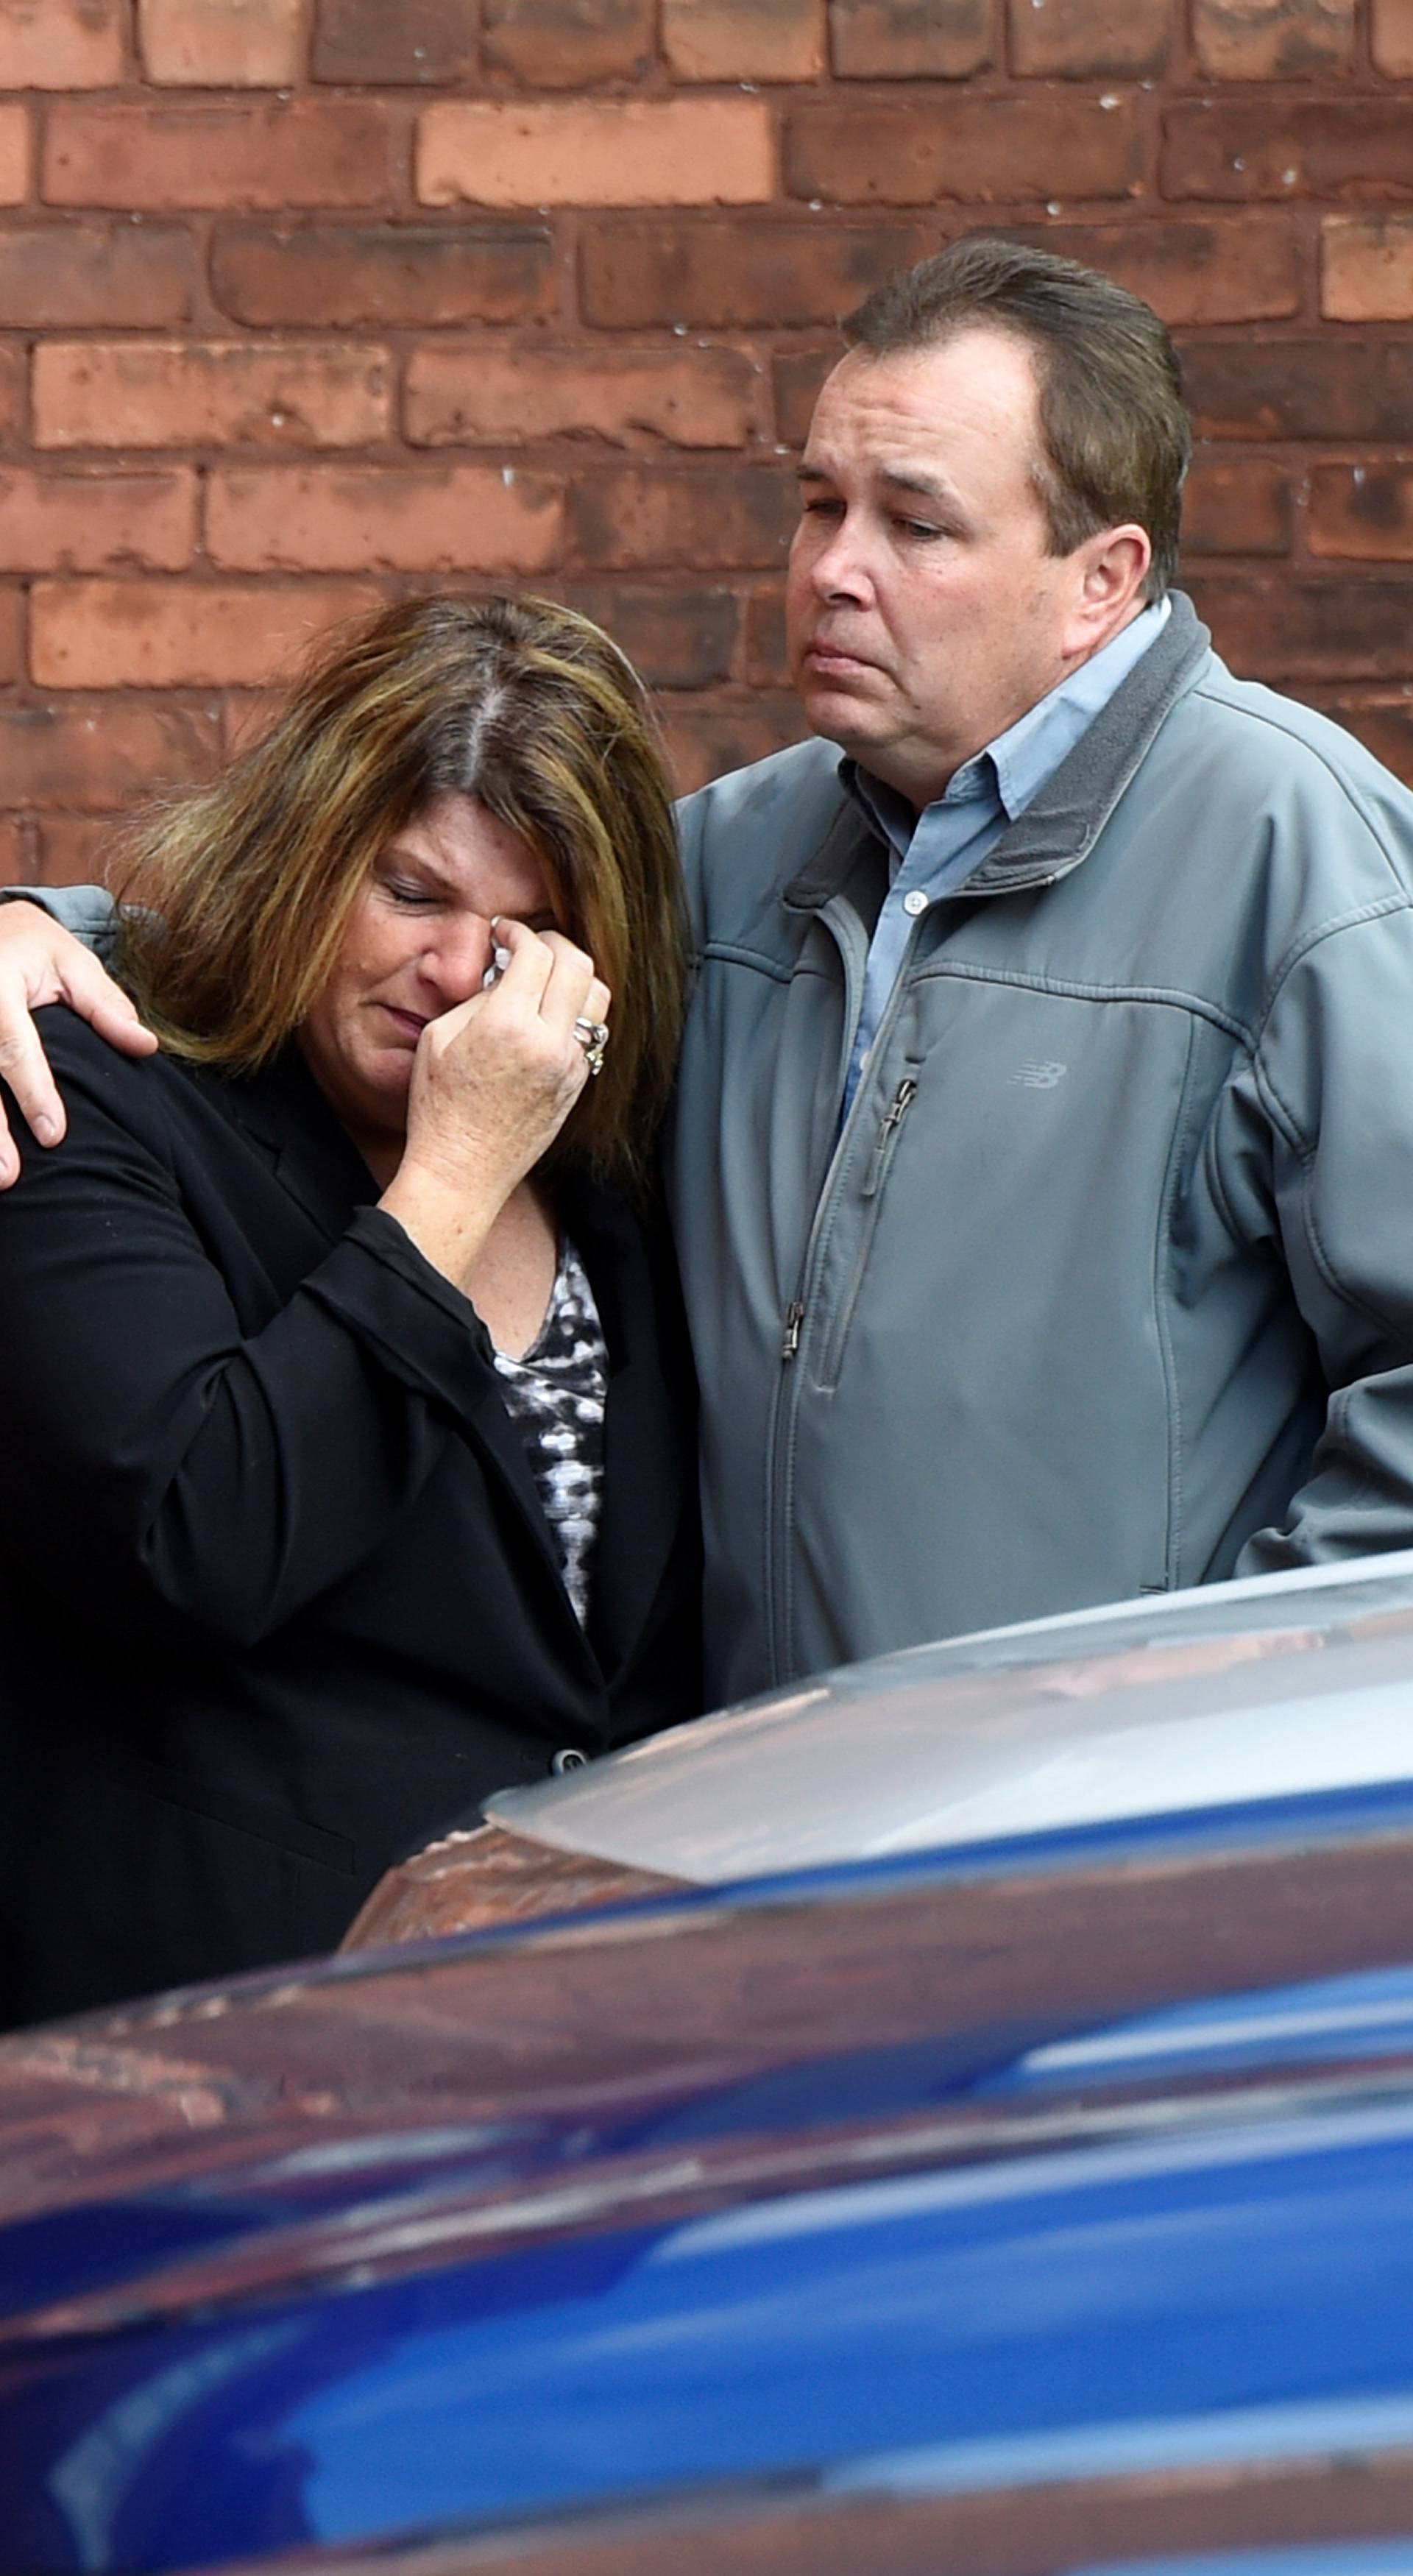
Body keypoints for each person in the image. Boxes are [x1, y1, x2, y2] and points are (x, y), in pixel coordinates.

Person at [10, 236, 1413, 1715]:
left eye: (915, 526)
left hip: (1114, 1859)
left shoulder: (1306, 859)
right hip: (759, 1841)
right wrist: (40, 924)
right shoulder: (740, 851)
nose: (832, 571)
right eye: (820, 505)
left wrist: (1210, 1716)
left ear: (1100, 581)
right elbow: (337, 920)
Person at [0, 591, 700, 2028]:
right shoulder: (92, 1097)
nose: (454, 977)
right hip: (217, 2045)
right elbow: (191, 1535)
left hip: (562, 2040)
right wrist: (451, 1171)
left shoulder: (607, 1171)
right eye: (414, 893)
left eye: (526, 935)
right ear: (310, 857)